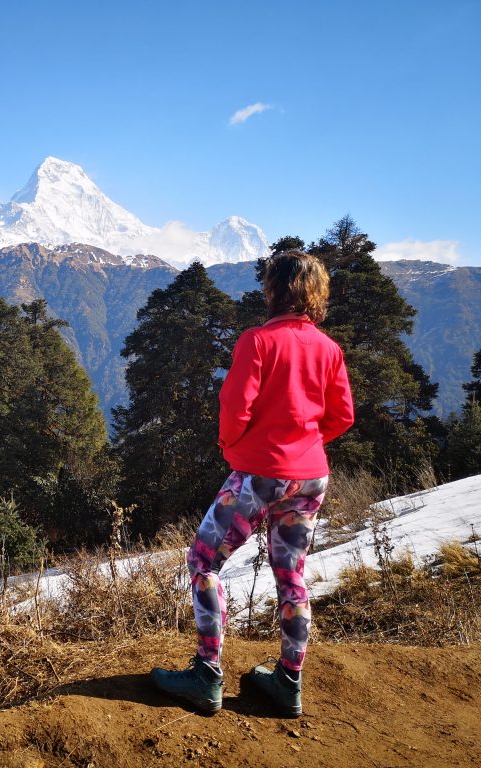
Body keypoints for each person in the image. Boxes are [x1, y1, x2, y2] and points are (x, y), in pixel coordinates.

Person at [151, 250, 355, 717]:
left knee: (204, 562)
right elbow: (343, 415)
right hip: (311, 475)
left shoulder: (258, 342)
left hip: (259, 473)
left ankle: (206, 674)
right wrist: (304, 443)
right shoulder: (329, 348)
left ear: (273, 289)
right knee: (292, 575)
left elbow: (235, 407)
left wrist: (235, 448)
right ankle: (288, 683)